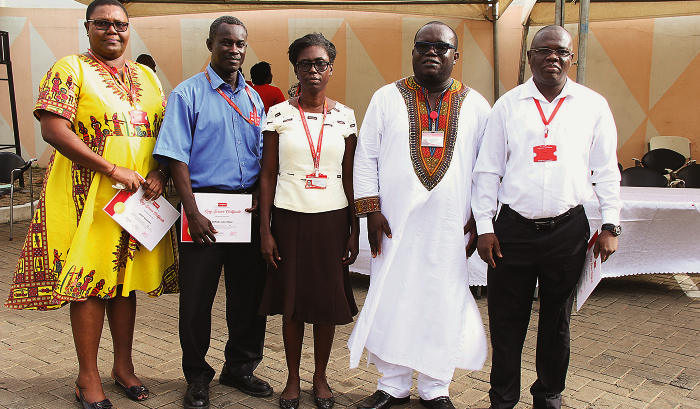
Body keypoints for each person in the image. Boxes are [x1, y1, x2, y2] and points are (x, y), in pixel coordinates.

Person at [4, 0, 177, 407]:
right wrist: (112, 169)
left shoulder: (147, 76)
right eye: (103, 23)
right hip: (87, 195)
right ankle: (86, 377)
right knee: (89, 284)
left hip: (137, 199)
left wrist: (161, 173)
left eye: (120, 24)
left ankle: (123, 367)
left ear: (129, 29)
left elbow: (166, 133)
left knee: (123, 284)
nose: (112, 30)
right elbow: (53, 129)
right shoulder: (70, 69)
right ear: (88, 27)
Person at [472, 25, 622, 409]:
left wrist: (609, 224)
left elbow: (606, 171)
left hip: (568, 228)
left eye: (562, 52)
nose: (553, 57)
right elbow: (487, 171)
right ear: (530, 57)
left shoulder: (593, 105)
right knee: (507, 320)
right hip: (512, 231)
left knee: (556, 321)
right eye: (544, 50)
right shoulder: (507, 105)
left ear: (571, 58)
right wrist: (486, 227)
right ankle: (503, 399)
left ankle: (549, 394)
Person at [348, 21, 489, 409]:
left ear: (455, 56)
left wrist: (481, 218)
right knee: (393, 297)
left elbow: (487, 169)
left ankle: (435, 385)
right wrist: (370, 210)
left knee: (442, 300)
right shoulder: (386, 97)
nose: (431, 52)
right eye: (423, 45)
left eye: (441, 47)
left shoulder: (477, 105)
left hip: (451, 225)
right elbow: (366, 158)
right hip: (393, 225)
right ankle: (392, 384)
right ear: (413, 51)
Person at [152, 16, 272, 409]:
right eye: (226, 43)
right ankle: (197, 377)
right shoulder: (187, 94)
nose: (234, 50)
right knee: (197, 301)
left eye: (240, 43)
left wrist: (258, 193)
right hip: (201, 210)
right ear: (210, 44)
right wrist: (191, 211)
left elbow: (260, 156)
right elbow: (174, 158)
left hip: (246, 212)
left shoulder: (253, 98)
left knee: (248, 297)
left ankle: (240, 368)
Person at [258, 33, 359, 409]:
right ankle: (292, 378)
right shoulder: (279, 114)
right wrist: (265, 230)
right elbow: (268, 175)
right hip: (288, 218)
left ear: (331, 69)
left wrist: (355, 228)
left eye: (320, 64)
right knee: (293, 302)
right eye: (305, 64)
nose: (313, 70)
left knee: (325, 301)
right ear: (296, 69)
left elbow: (350, 176)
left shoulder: (346, 116)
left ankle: (320, 377)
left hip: (332, 220)